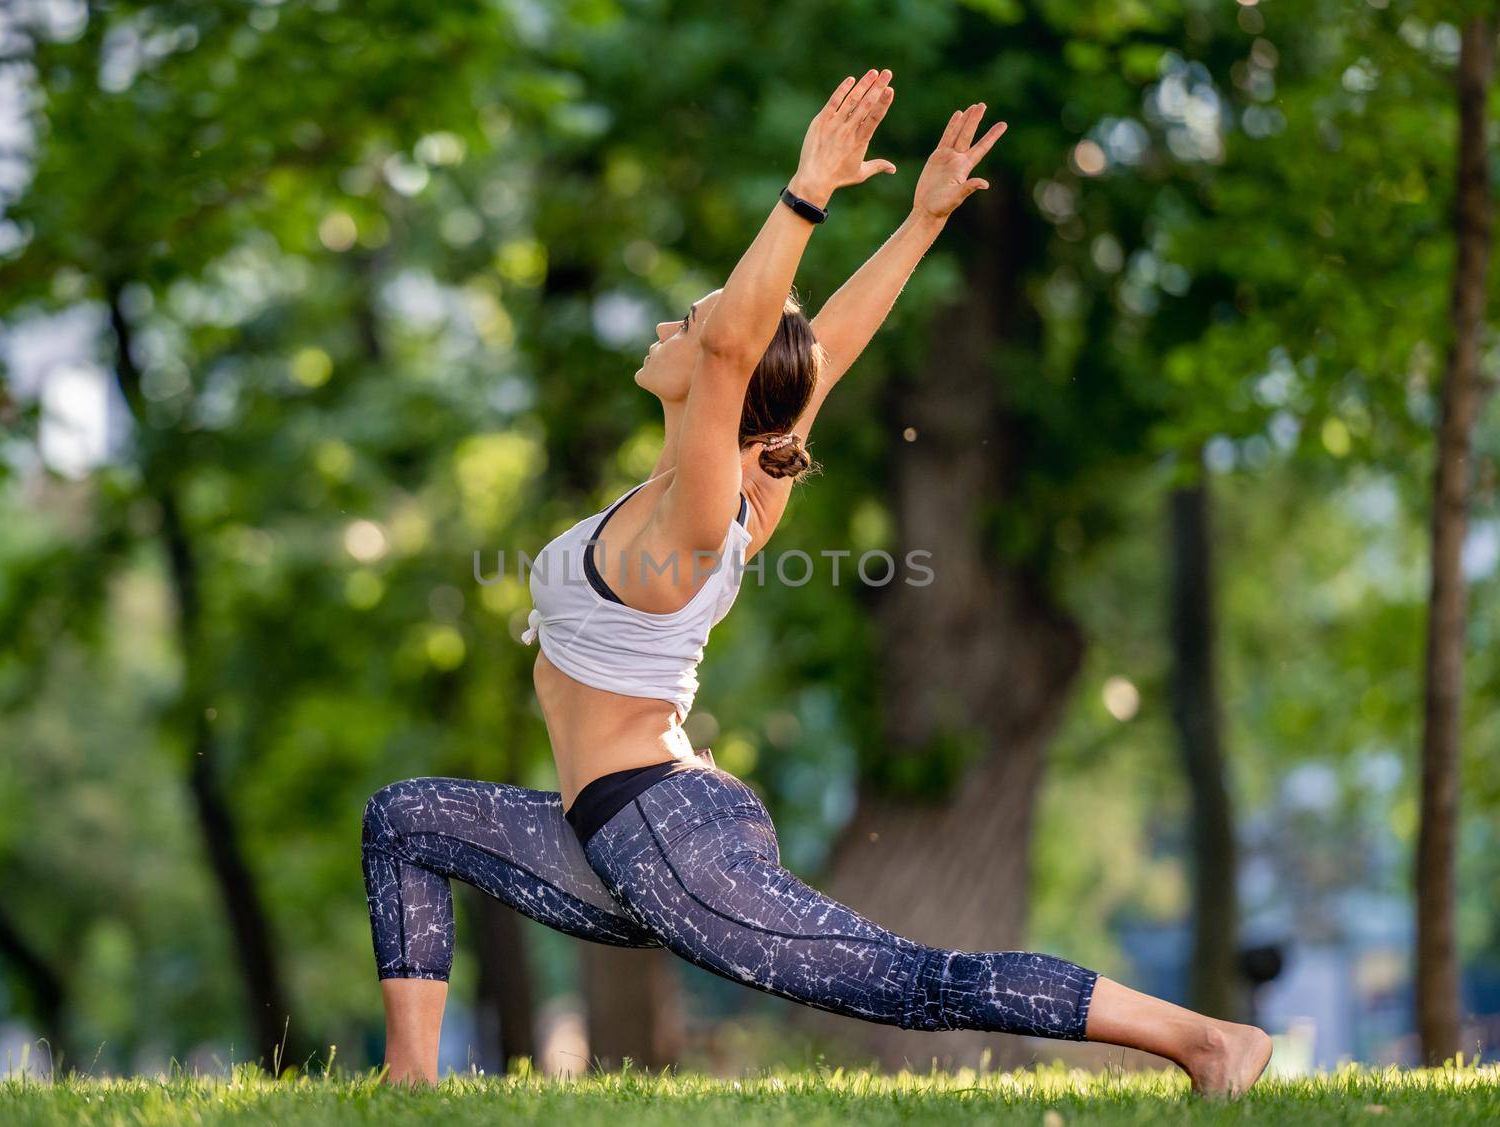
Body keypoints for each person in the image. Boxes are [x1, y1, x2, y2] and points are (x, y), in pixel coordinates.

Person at [361, 69, 1272, 1095]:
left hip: (661, 834)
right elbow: (819, 349)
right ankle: (409, 1089)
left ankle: (1204, 1039)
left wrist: (807, 194)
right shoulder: (725, 482)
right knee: (405, 817)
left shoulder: (700, 516)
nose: (672, 328)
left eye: (690, 320)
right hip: (616, 829)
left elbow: (752, 343)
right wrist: (921, 221)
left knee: (914, 981)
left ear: (720, 369)